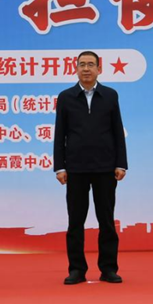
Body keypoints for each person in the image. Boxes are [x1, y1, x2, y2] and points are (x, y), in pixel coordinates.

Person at [54, 51, 128, 285]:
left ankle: (108, 268)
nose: (86, 69)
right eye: (82, 64)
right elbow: (60, 134)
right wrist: (59, 167)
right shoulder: (66, 97)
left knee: (107, 221)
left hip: (105, 167)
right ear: (76, 68)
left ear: (99, 69)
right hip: (76, 168)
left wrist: (121, 163)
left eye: (91, 65)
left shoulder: (110, 95)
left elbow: (117, 131)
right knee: (75, 222)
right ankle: (76, 269)